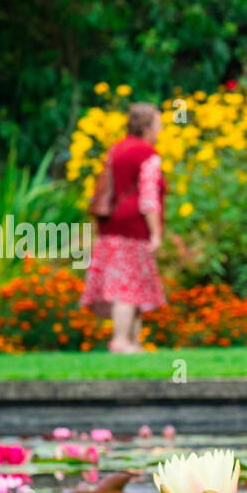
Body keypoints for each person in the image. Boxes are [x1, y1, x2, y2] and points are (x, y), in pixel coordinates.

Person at [81, 102, 167, 353]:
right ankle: (120, 341)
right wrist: (156, 233)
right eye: (158, 123)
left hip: (110, 225)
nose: (161, 128)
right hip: (133, 227)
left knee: (132, 284)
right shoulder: (147, 154)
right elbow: (149, 198)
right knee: (128, 287)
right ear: (146, 126)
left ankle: (133, 342)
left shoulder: (116, 149)